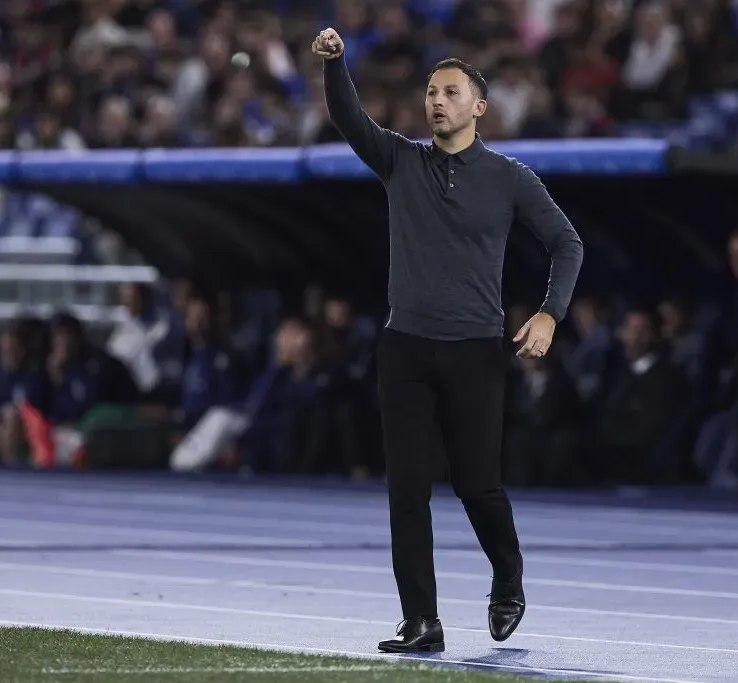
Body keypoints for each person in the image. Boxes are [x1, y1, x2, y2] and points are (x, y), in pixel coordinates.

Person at [312, 28, 584, 653]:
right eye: (431, 92)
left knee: (476, 484)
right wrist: (335, 64)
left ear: (478, 108)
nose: (437, 101)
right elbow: (348, 116)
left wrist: (549, 314)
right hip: (404, 347)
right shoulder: (401, 160)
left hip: (474, 351)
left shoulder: (510, 178)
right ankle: (421, 621)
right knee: (406, 489)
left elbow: (567, 243)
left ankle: (508, 575)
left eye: (451, 92)